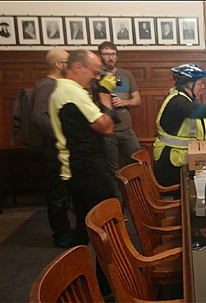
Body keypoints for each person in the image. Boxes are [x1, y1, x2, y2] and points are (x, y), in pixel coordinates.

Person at [49, 49, 117, 299]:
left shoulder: (65, 90)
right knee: (106, 223)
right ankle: (104, 286)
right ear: (77, 67)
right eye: (94, 71)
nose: (95, 77)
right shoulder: (71, 92)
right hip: (87, 168)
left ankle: (73, 280)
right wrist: (106, 97)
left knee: (83, 230)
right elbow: (106, 126)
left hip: (78, 169)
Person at [153, 64, 206, 187]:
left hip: (182, 159)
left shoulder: (186, 99)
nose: (202, 87)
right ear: (188, 84)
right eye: (199, 84)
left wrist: (204, 134)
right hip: (170, 162)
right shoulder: (177, 100)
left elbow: (186, 124)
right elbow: (191, 110)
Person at [32, 49, 71, 248]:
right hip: (53, 147)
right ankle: (61, 234)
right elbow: (39, 117)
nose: (70, 63)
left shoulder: (60, 84)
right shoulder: (47, 85)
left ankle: (66, 229)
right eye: (67, 60)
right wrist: (61, 135)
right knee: (57, 193)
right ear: (58, 64)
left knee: (64, 191)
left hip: (61, 146)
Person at [98, 41, 142, 204]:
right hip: (107, 131)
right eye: (106, 54)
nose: (110, 57)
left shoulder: (126, 74)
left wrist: (124, 102)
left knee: (137, 164)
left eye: (113, 54)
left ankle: (139, 202)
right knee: (111, 170)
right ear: (100, 56)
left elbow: (137, 100)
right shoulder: (96, 76)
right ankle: (116, 206)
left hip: (127, 129)